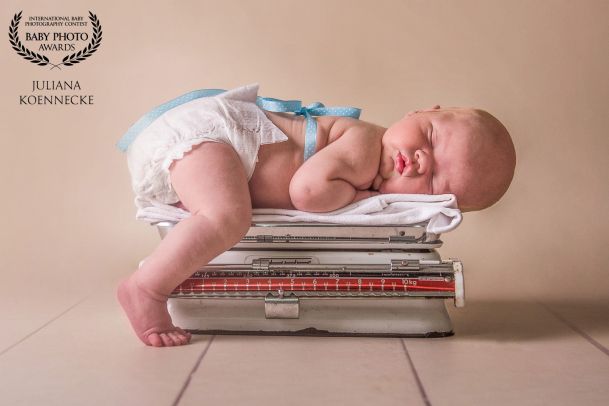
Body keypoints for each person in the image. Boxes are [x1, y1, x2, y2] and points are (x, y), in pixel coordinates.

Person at [117, 84, 516, 347]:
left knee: (222, 209)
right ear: (419, 111)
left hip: (215, 149)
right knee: (225, 217)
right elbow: (307, 192)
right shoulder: (365, 143)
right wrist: (357, 193)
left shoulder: (372, 157)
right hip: (213, 135)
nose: (416, 161)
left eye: (433, 178)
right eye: (427, 138)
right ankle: (147, 289)